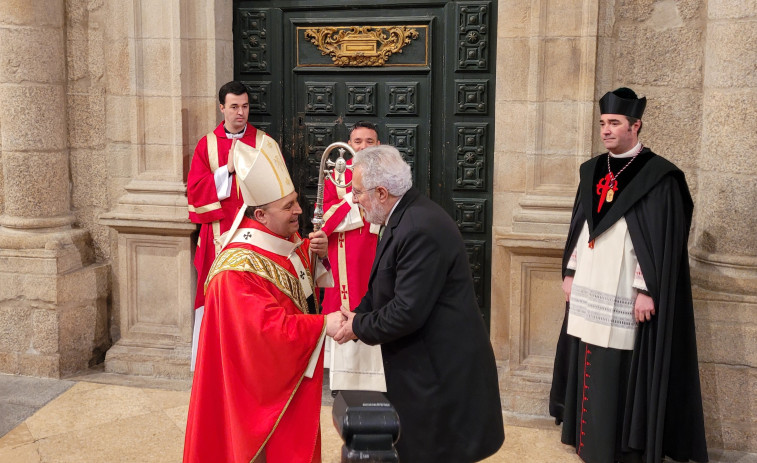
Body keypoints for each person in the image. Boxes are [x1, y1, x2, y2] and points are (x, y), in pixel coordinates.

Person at [549, 88, 708, 463]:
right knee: (585, 349)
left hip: (624, 287)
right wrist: (570, 271)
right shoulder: (592, 170)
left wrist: (647, 289)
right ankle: (583, 436)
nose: (606, 130)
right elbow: (581, 226)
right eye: (603, 123)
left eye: (615, 123)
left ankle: (618, 447)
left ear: (636, 126)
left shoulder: (659, 176)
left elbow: (661, 241)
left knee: (619, 362)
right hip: (589, 280)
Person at [333, 145, 505, 462]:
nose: (355, 199)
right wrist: (358, 313)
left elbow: (406, 312)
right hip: (422, 369)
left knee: (434, 452)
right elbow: (383, 283)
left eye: (358, 192)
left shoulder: (419, 227)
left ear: (381, 192)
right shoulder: (403, 216)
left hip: (440, 375)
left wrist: (357, 326)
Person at [184, 136, 344, 463]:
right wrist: (322, 324)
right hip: (255, 398)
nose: (298, 211)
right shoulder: (235, 273)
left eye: (296, 201)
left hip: (285, 384)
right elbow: (265, 333)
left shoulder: (283, 236)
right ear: (260, 214)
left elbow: (299, 285)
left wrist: (318, 256)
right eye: (288, 207)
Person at [187, 81, 264, 369]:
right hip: (218, 235)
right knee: (217, 294)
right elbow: (195, 193)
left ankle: (251, 360)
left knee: (253, 295)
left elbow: (278, 189)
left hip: (254, 235)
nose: (240, 113)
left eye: (244, 106)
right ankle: (213, 360)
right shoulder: (206, 145)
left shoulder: (263, 143)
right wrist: (227, 170)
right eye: (234, 107)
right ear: (222, 108)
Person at [321, 121, 385, 393]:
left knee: (377, 302)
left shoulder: (387, 175)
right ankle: (343, 380)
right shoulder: (335, 177)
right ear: (349, 145)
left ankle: (379, 378)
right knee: (345, 305)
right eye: (357, 141)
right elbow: (324, 219)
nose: (363, 146)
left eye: (369, 141)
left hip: (376, 251)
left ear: (378, 145)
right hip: (344, 256)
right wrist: (352, 198)